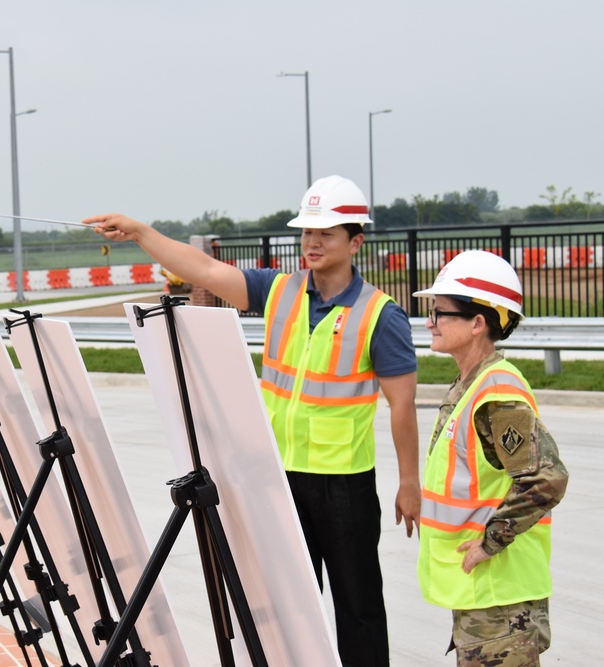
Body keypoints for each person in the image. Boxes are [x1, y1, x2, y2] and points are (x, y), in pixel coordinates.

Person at [85, 175, 420, 667]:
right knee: (288, 610)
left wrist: (409, 482)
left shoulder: (381, 315)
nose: (312, 242)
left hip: (344, 488)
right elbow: (200, 267)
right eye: (307, 232)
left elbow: (404, 407)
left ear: (355, 241)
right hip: (279, 481)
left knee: (359, 611)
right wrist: (141, 233)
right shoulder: (278, 290)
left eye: (326, 233)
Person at [412, 250, 569, 665]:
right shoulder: (472, 383)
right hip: (484, 594)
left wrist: (491, 538)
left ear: (477, 322)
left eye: (440, 312)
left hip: (501, 599)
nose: (430, 322)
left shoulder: (496, 395)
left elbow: (546, 478)